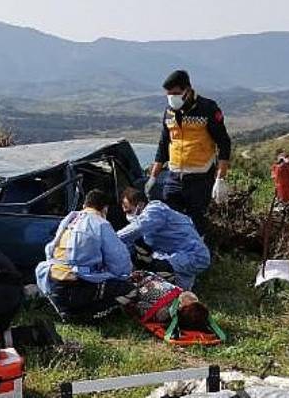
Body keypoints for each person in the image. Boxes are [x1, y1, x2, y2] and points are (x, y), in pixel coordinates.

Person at [147, 70, 232, 236]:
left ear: (187, 90)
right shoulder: (169, 112)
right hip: (174, 177)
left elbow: (224, 142)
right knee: (171, 221)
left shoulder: (207, 108)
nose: (172, 97)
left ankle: (201, 257)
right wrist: (153, 177)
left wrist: (220, 178)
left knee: (197, 223)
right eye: (169, 94)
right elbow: (164, 145)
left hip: (200, 179)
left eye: (176, 93)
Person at [35, 189, 137, 320]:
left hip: (52, 282)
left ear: (84, 205)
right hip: (73, 287)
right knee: (130, 289)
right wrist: (125, 275)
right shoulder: (100, 223)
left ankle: (64, 309)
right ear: (105, 209)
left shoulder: (70, 219)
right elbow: (120, 262)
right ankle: (85, 315)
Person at [117, 187, 210, 290]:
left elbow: (138, 228)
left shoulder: (155, 210)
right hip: (178, 258)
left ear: (140, 205)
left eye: (129, 210)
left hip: (193, 256)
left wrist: (110, 238)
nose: (127, 214)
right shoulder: (149, 225)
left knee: (155, 271)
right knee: (179, 295)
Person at [129, 270, 209, 331]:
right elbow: (138, 306)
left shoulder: (179, 293)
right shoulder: (162, 314)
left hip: (146, 275)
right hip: (133, 284)